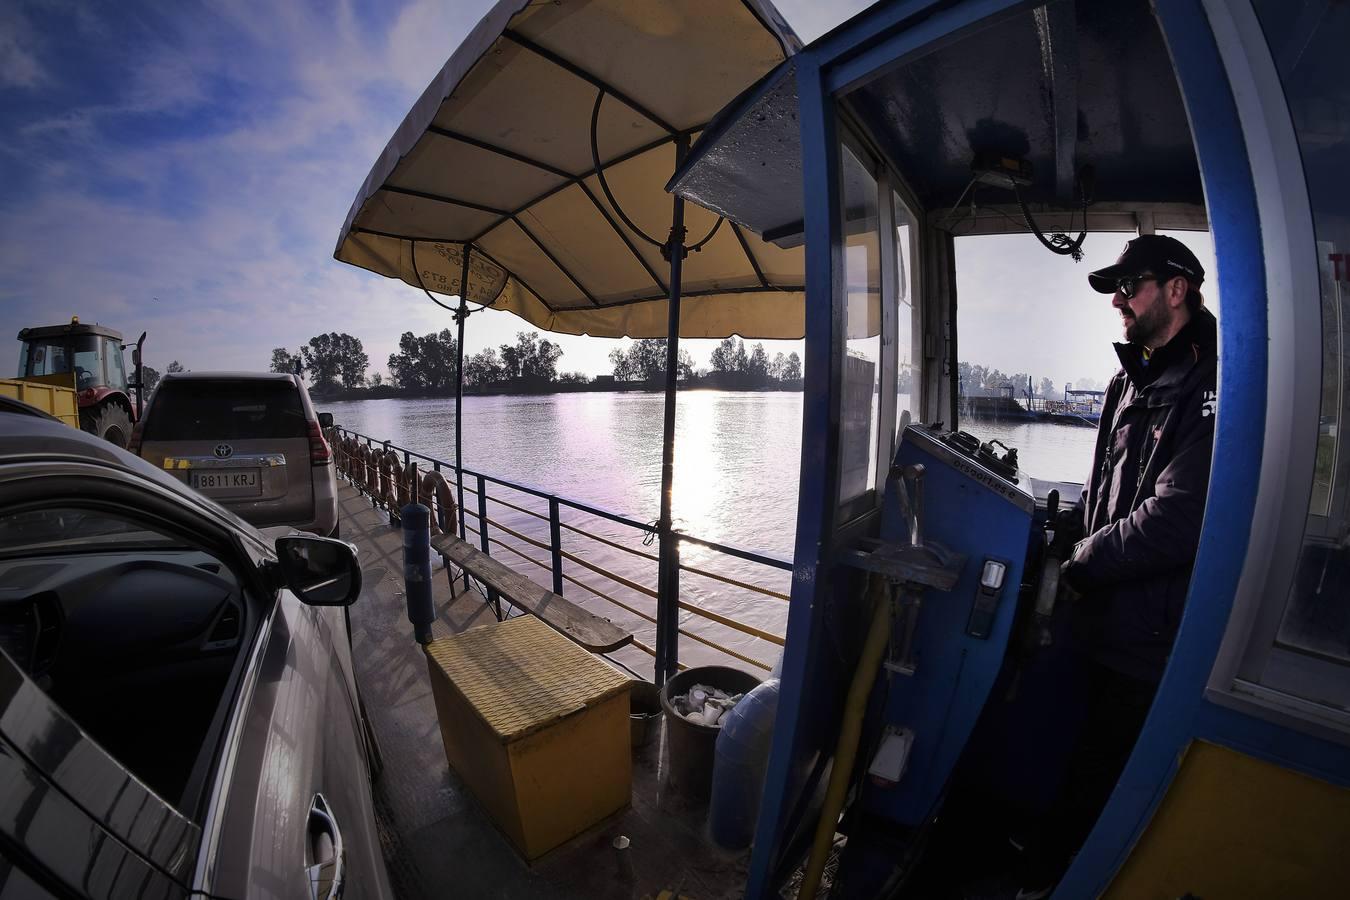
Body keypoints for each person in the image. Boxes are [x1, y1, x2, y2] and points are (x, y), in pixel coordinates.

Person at [1012, 234, 1218, 899]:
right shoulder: (1127, 380)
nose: (1119, 303)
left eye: (1131, 287)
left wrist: (1084, 560)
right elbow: (1104, 492)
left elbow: (1180, 518)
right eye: (1115, 291)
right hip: (1098, 622)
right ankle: (1044, 864)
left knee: (1107, 780)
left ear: (1179, 289)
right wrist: (1064, 538)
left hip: (1150, 642)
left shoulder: (1213, 383)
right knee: (1066, 757)